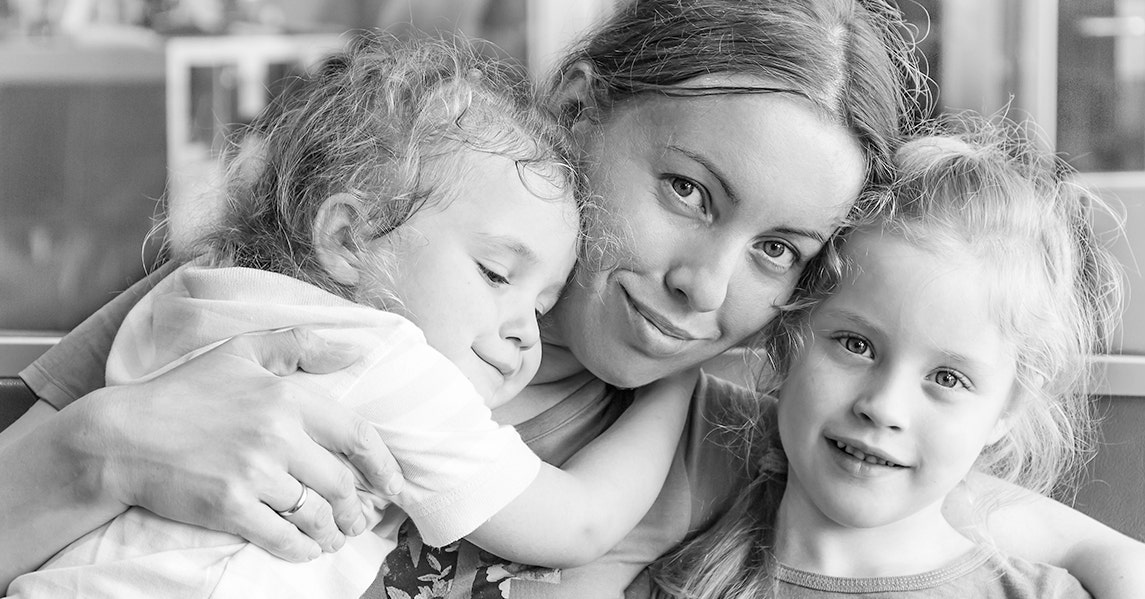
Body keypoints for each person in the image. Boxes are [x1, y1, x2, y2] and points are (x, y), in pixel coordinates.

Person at [1, 1, 1145, 598]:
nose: (705, 283)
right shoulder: (299, 294)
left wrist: (1126, 566)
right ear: (577, 115)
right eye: (687, 188)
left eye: (780, 249)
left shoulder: (733, 429)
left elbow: (991, 506)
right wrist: (103, 451)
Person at [5, 31, 695, 599]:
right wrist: (678, 383)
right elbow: (576, 524)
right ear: (346, 239)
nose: (524, 331)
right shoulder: (380, 356)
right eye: (495, 275)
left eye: (542, 304)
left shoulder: (200, 290)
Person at [653, 122, 1123, 598]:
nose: (884, 407)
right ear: (789, 334)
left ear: (1010, 407)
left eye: (948, 378)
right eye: (856, 345)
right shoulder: (675, 575)